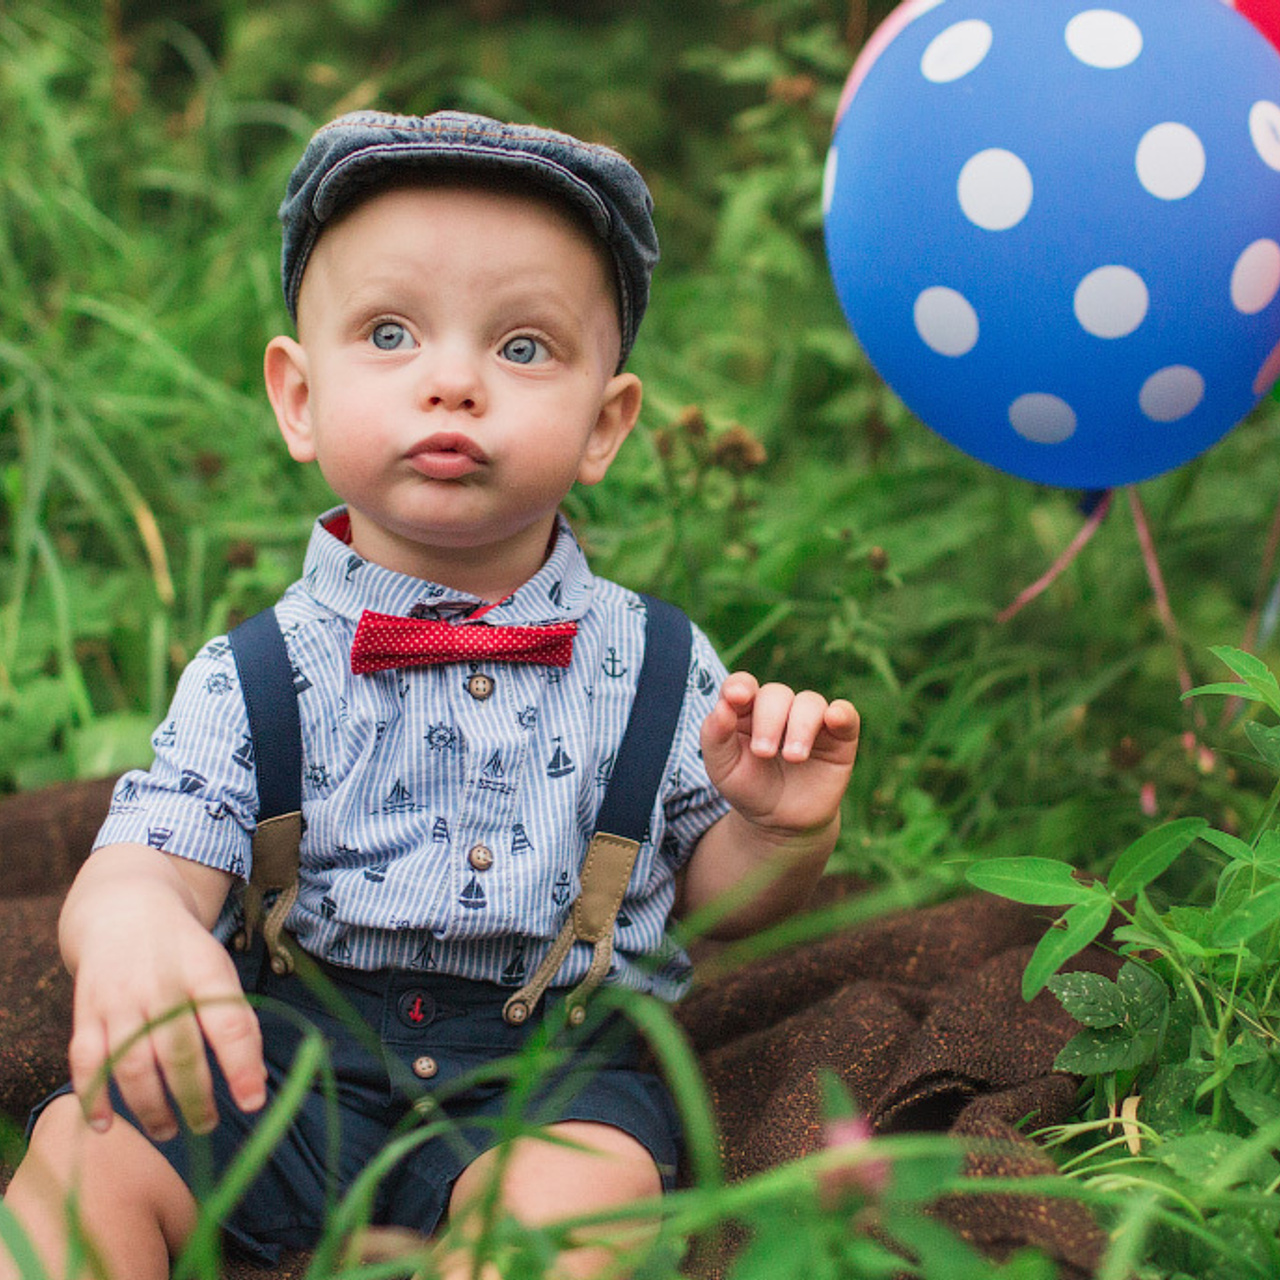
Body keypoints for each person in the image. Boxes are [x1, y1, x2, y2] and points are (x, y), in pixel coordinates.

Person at [1, 110, 859, 1280]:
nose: (452, 381)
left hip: (550, 1073)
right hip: (285, 1051)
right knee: (85, 1144)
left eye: (521, 348)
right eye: (390, 332)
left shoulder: (657, 662)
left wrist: (770, 824)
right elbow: (153, 850)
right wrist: (137, 926)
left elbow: (716, 901)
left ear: (605, 423)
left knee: (579, 1198)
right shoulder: (254, 671)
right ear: (297, 396)